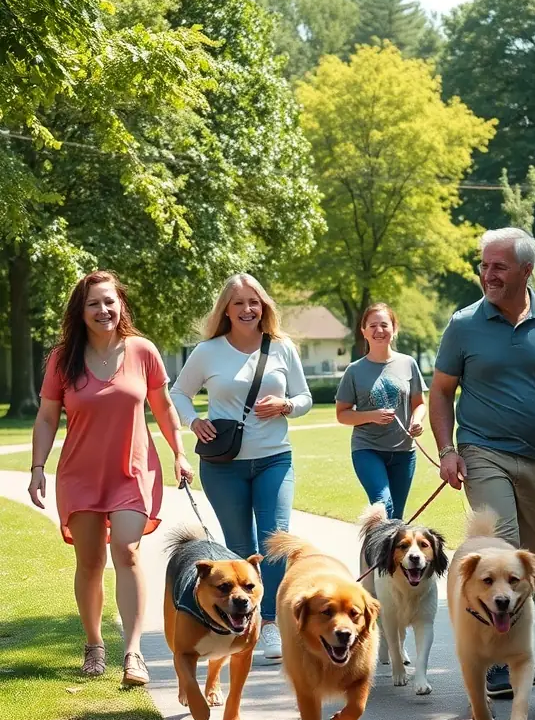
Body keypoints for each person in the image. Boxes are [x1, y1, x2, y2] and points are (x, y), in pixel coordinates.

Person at [429, 228, 535, 698]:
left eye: (498, 266)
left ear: (527, 270)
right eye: (483, 265)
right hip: (483, 451)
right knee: (503, 552)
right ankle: (498, 664)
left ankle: (515, 649)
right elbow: (441, 392)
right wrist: (448, 451)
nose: (488, 274)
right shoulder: (463, 324)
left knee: (528, 566)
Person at [28, 271, 193, 686]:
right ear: (79, 312)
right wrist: (36, 468)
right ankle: (94, 644)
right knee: (90, 562)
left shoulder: (143, 351)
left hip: (132, 469)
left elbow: (165, 408)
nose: (103, 310)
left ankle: (133, 652)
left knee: (127, 550)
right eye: (92, 304)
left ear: (121, 305)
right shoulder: (63, 358)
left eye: (109, 302)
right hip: (80, 472)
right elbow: (47, 417)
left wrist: (180, 454)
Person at [170, 274, 312, 662]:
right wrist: (193, 421)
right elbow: (178, 392)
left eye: (254, 302)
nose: (248, 309)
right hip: (223, 465)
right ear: (226, 310)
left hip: (274, 458)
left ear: (263, 306)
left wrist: (285, 406)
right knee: (239, 548)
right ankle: (242, 621)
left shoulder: (281, 348)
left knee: (274, 545)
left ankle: (270, 624)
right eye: (239, 303)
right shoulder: (208, 351)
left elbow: (304, 397)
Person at [335, 303, 427, 520]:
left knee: (396, 519)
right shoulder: (354, 371)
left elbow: (419, 403)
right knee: (383, 505)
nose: (379, 331)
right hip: (368, 449)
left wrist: (417, 421)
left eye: (384, 325)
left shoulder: (408, 364)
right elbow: (342, 414)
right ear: (364, 331)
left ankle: (377, 553)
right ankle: (374, 551)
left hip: (404, 452)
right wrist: (371, 416)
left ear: (394, 329)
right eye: (373, 325)